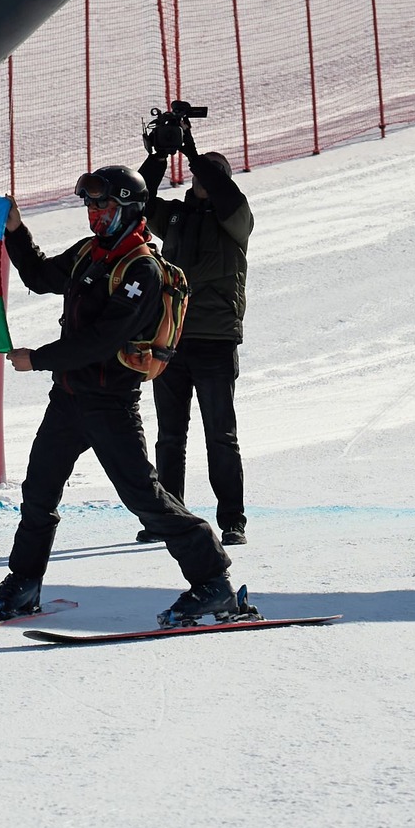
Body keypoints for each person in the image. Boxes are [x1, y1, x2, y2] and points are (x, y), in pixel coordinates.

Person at [0, 165, 257, 627]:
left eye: (104, 204)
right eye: (90, 205)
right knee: (38, 491)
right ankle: (24, 582)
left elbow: (101, 339)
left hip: (109, 402)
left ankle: (213, 581)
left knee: (145, 498)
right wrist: (15, 229)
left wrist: (37, 359)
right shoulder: (87, 255)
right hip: (69, 399)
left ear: (129, 208)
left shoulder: (141, 269)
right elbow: (38, 275)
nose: (94, 213)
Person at [135, 138, 255, 547]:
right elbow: (138, 198)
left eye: (212, 174)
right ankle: (169, 516)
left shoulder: (236, 218)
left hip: (217, 341)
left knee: (220, 434)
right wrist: (158, 156)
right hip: (172, 338)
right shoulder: (175, 216)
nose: (204, 180)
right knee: (170, 435)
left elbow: (223, 192)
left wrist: (192, 151)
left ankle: (232, 520)